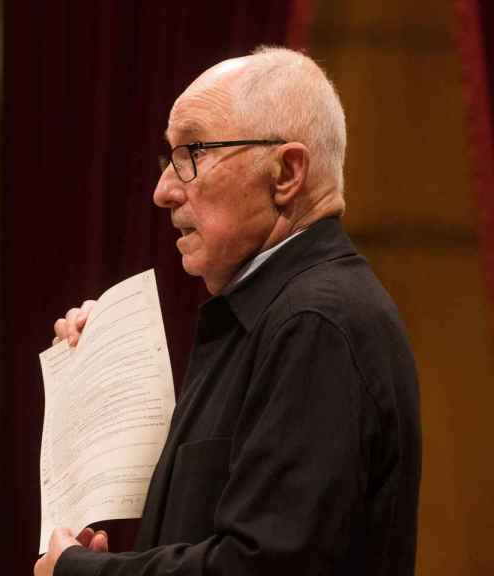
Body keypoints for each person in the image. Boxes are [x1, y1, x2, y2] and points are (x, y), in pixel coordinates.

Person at [35, 47, 421, 576]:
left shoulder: (316, 324)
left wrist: (81, 573)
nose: (163, 190)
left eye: (192, 153)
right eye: (167, 158)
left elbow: (260, 567)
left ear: (286, 172)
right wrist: (98, 380)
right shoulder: (263, 312)